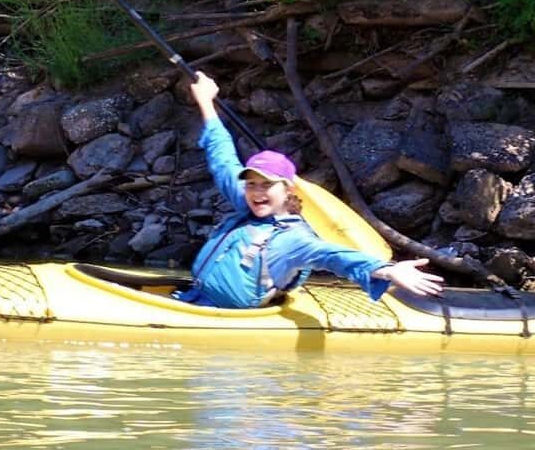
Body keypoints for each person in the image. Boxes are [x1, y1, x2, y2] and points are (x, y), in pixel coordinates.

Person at [174, 72, 444, 309]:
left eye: (267, 184)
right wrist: (206, 102)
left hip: (228, 317)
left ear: (287, 188)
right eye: (252, 184)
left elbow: (333, 256)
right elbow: (222, 158)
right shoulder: (247, 202)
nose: (257, 192)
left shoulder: (293, 240)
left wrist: (387, 271)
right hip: (196, 297)